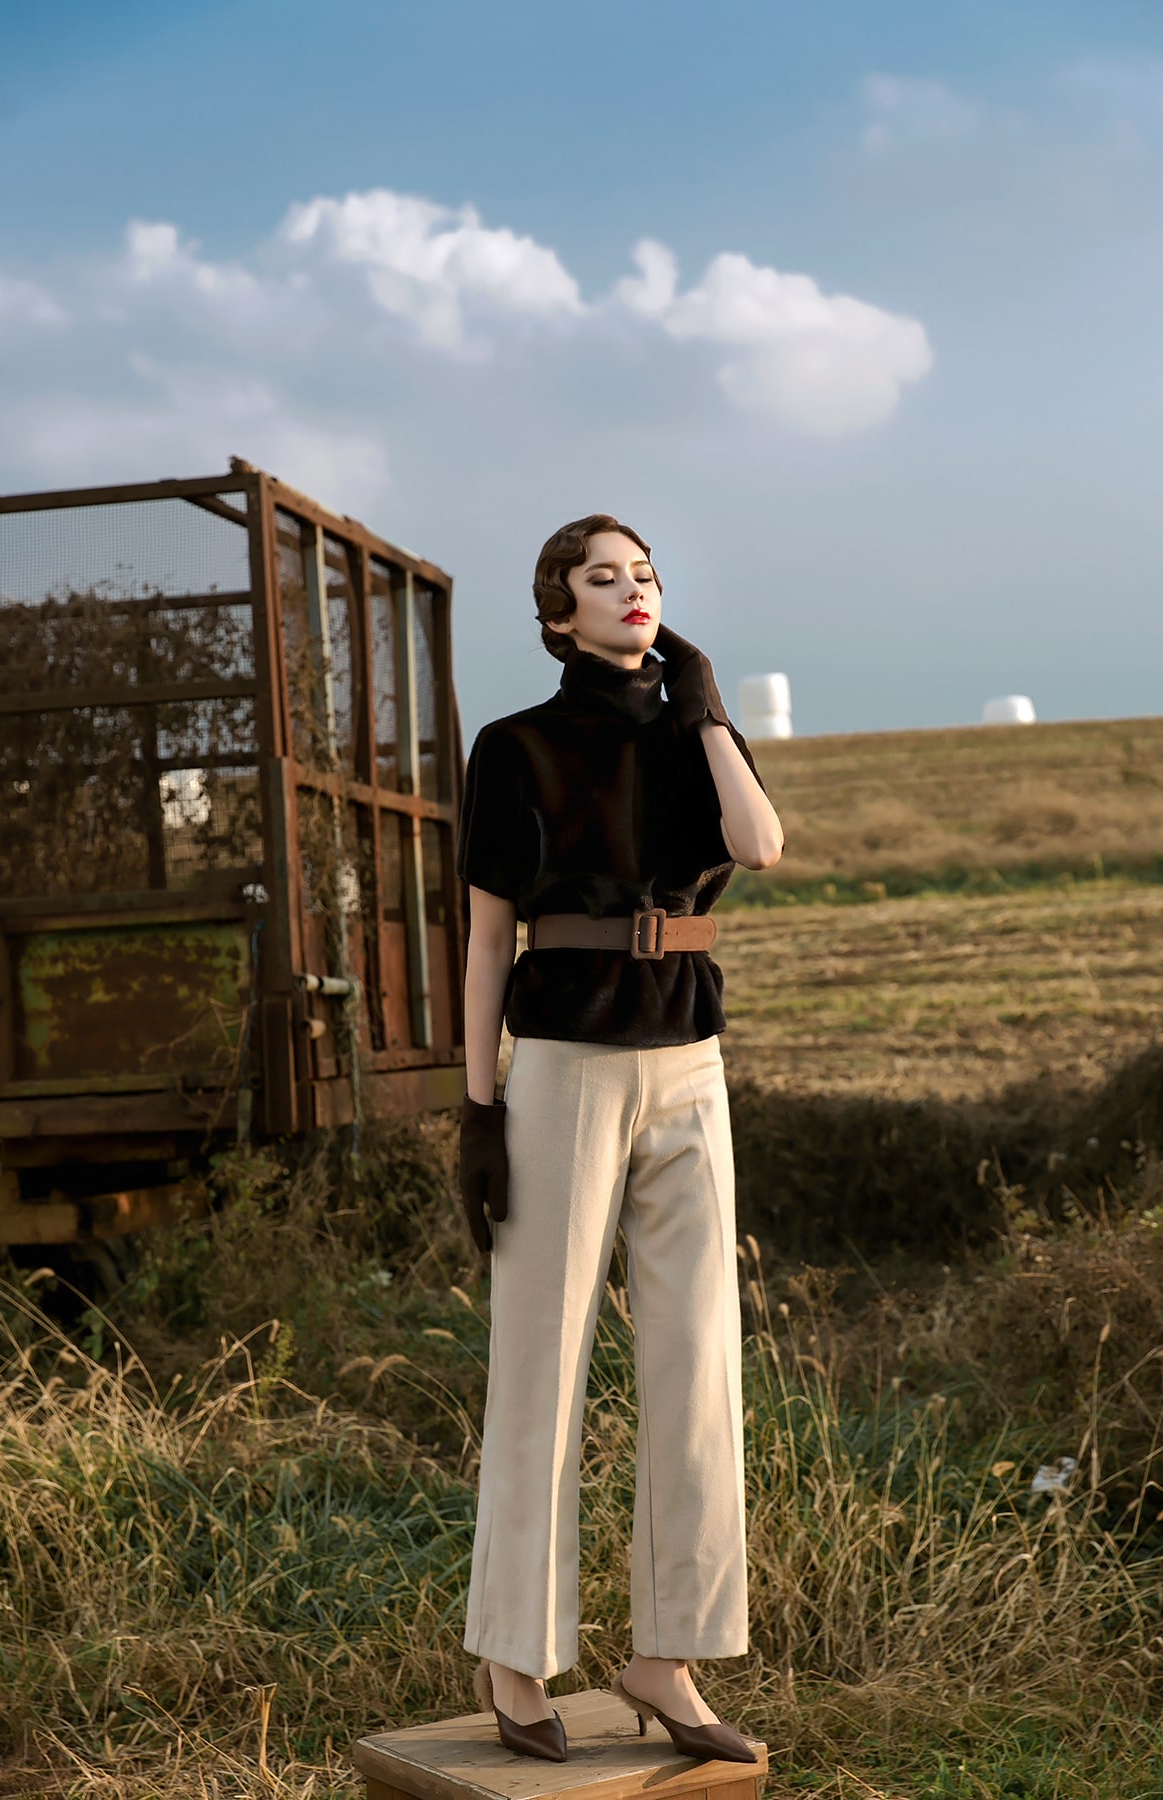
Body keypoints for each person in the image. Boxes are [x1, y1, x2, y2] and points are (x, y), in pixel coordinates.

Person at [456, 514, 784, 1764]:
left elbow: (759, 846)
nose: (633, 590)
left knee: (699, 1365)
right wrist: (477, 1107)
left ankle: (668, 1658)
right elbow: (489, 937)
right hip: (564, 1063)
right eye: (604, 577)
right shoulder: (515, 747)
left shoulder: (697, 734)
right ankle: (513, 1655)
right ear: (559, 611)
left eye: (645, 575)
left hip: (689, 1061)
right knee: (539, 1361)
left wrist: (706, 708)